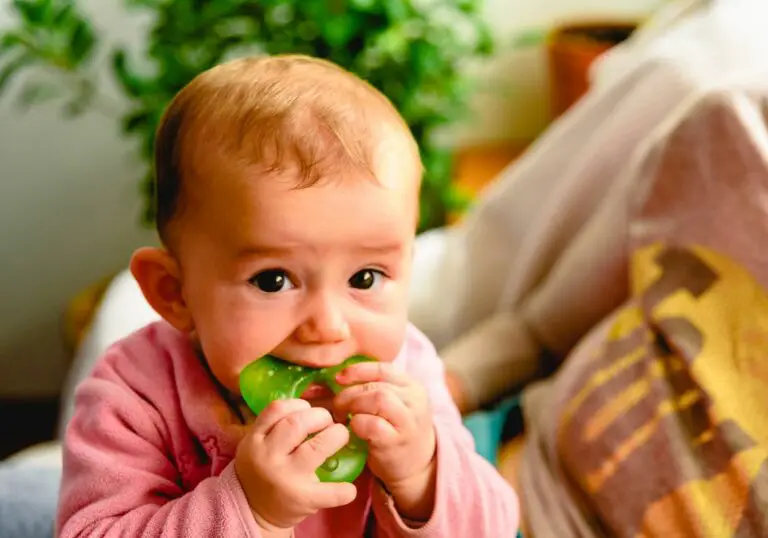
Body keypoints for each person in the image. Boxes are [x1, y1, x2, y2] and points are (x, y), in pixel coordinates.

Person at [55, 54, 519, 537]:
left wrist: (422, 476)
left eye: (364, 278)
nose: (327, 327)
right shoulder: (134, 394)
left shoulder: (407, 373)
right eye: (273, 280)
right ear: (175, 293)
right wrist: (248, 508)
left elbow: (497, 526)